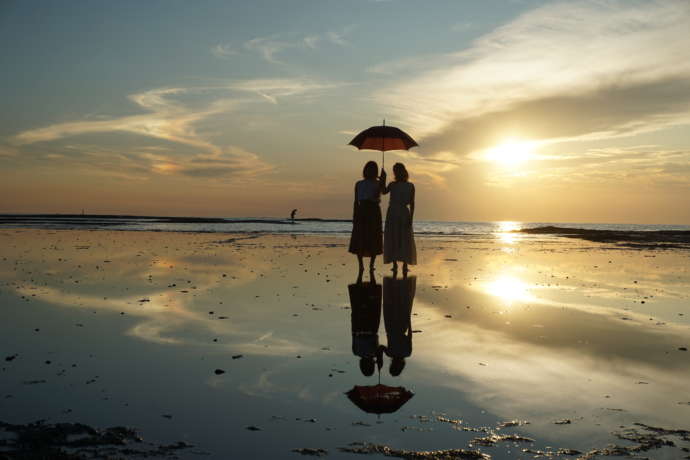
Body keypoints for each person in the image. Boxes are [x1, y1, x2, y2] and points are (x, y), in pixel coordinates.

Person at [349, 161, 384, 274]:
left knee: (374, 237)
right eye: (368, 169)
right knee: (360, 237)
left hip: (373, 210)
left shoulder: (378, 183)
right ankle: (361, 265)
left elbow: (381, 193)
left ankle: (371, 265)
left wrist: (383, 180)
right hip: (362, 210)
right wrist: (354, 215)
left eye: (372, 169)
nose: (369, 171)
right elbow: (355, 201)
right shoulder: (359, 183)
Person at [382, 163, 417, 274]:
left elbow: (412, 203)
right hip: (394, 212)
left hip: (400, 212)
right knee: (395, 236)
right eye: (395, 171)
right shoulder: (393, 184)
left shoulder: (410, 186)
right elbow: (383, 191)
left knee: (403, 237)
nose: (397, 173)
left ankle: (404, 264)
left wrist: (411, 218)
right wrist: (383, 178)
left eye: (398, 170)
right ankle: (395, 264)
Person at [348, 274, 383, 377]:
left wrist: (379, 358)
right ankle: (360, 286)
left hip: (371, 327)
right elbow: (353, 335)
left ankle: (370, 284)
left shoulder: (374, 352)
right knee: (359, 303)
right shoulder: (355, 352)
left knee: (373, 302)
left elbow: (379, 345)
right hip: (358, 326)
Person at [382, 275, 416, 376]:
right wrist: (379, 358)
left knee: (402, 304)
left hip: (401, 327)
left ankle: (403, 284)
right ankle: (394, 283)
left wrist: (409, 321)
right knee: (392, 303)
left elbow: (410, 336)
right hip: (391, 326)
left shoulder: (406, 353)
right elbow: (380, 348)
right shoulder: (390, 353)